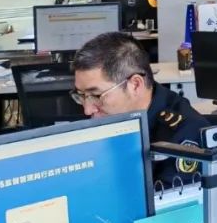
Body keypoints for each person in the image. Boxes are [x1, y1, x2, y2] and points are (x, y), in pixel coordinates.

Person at [71, 32, 209, 187]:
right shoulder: (109, 115)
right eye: (81, 95)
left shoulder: (182, 135)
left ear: (135, 85)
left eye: (96, 95)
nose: (87, 110)